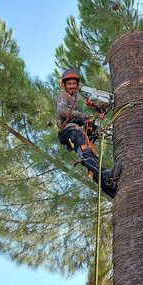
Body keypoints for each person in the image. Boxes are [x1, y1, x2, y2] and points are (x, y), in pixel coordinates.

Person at [56, 68, 117, 198]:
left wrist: (98, 112)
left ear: (77, 85)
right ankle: (105, 175)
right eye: (69, 84)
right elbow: (62, 111)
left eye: (74, 84)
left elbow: (87, 115)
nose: (72, 86)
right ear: (65, 86)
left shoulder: (78, 99)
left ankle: (108, 187)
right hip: (69, 130)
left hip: (79, 130)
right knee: (86, 151)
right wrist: (83, 115)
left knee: (91, 154)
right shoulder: (63, 96)